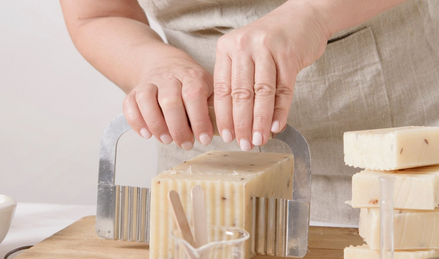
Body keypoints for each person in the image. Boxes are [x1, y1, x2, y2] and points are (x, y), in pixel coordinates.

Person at [60, 0, 439, 225]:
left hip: (384, 150)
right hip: (201, 150)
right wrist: (153, 66)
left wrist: (314, 13)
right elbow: (98, 12)